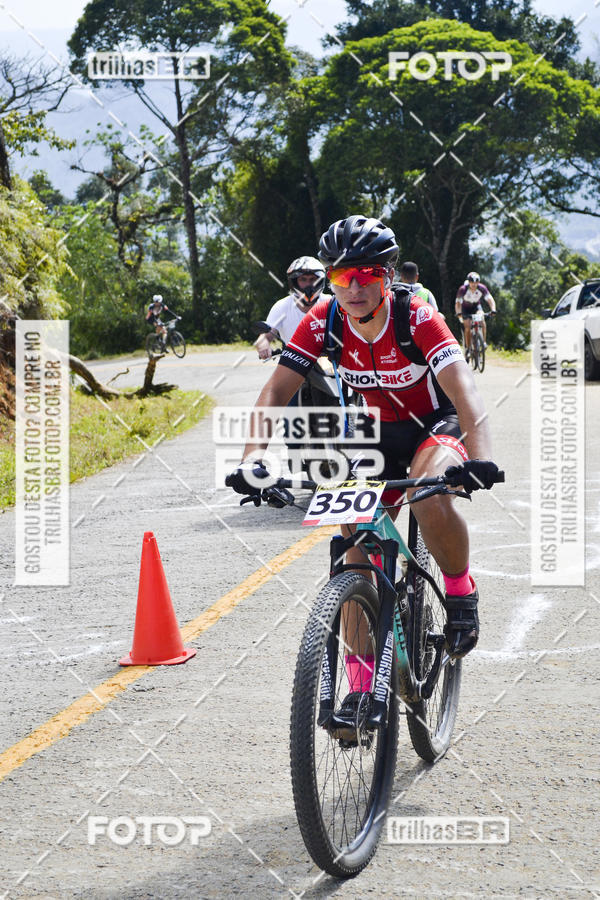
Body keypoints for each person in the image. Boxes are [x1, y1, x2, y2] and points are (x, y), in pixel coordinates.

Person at [227, 215, 499, 706]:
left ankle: (460, 590)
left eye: (365, 276)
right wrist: (253, 458)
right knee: (355, 550)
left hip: (433, 426)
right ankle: (358, 684)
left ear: (387, 276)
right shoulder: (325, 319)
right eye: (339, 277)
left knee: (426, 493)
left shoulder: (416, 316)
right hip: (372, 437)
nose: (351, 289)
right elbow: (276, 390)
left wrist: (480, 458)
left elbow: (467, 394)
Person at [255, 257, 330, 359]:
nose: (308, 284)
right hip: (293, 364)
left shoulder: (330, 303)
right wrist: (263, 345)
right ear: (294, 282)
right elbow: (265, 336)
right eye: (303, 279)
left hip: (330, 363)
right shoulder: (282, 307)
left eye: (312, 279)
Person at [455, 272, 496, 355]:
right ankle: (468, 348)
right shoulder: (463, 289)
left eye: (476, 282)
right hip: (465, 308)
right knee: (468, 326)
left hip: (476, 306)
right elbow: (458, 303)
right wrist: (459, 313)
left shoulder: (482, 288)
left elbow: (490, 299)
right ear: (468, 282)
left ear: (478, 282)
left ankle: (483, 342)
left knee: (482, 318)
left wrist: (493, 309)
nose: (474, 284)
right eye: (471, 282)